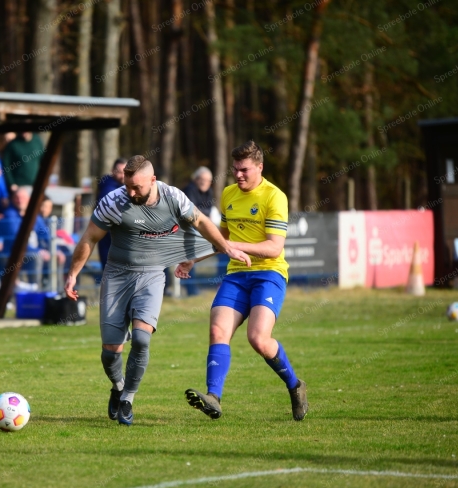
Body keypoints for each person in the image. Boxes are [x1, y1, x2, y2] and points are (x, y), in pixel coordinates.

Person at [64, 155, 250, 426]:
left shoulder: (173, 197)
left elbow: (200, 222)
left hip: (152, 275)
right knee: (110, 351)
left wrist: (227, 247)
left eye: (136, 187)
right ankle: (118, 387)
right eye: (127, 186)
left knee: (141, 339)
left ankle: (128, 398)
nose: (131, 192)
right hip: (116, 276)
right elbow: (90, 237)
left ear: (153, 180)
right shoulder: (114, 202)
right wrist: (72, 275)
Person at [177, 141, 308, 421]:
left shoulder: (274, 196)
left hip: (269, 274)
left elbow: (274, 248)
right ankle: (213, 397)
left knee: (258, 339)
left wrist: (232, 245)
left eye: (244, 170)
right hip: (237, 275)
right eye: (235, 169)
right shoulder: (228, 194)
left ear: (260, 167)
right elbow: (220, 239)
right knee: (217, 331)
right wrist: (193, 259)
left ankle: (295, 385)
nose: (238, 175)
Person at [181, 166, 216, 296]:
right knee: (190, 256)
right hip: (185, 229)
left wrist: (202, 215)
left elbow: (208, 211)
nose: (204, 183)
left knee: (221, 248)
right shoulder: (189, 190)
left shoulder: (209, 192)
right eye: (202, 179)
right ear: (196, 179)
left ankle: (217, 282)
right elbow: (192, 212)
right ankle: (190, 288)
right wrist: (203, 216)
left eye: (208, 180)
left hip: (200, 228)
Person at [96, 158, 127, 270]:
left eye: (125, 172)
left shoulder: (122, 188)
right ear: (112, 171)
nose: (123, 175)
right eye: (119, 172)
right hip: (110, 240)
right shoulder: (109, 191)